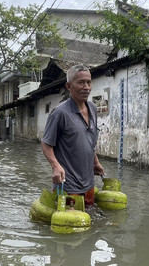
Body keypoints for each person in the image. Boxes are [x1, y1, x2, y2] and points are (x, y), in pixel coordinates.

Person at [41, 64, 105, 206]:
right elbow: (46, 143)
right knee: (69, 225)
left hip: (89, 184)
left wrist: (95, 162)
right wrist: (55, 166)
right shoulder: (60, 113)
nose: (86, 87)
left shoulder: (93, 109)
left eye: (89, 82)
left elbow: (89, 140)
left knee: (89, 222)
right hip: (67, 186)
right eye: (81, 82)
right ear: (69, 86)